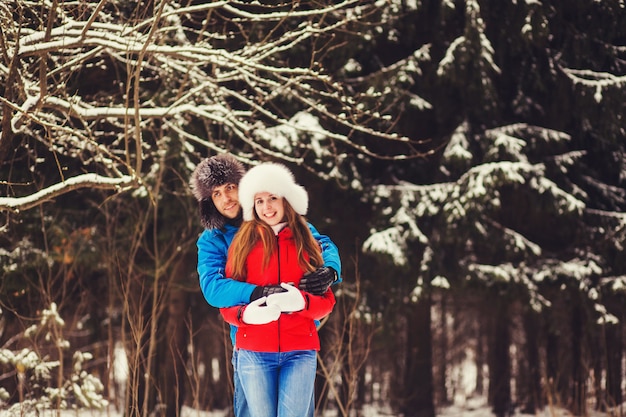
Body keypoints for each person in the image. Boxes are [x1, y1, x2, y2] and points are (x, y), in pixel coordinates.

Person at [190, 154, 340, 417]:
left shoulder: (272, 217)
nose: (226, 198)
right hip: (251, 338)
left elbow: (320, 243)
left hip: (297, 337)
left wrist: (330, 270)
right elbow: (214, 288)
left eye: (230, 188)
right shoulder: (212, 240)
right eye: (216, 194)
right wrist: (256, 294)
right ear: (209, 202)